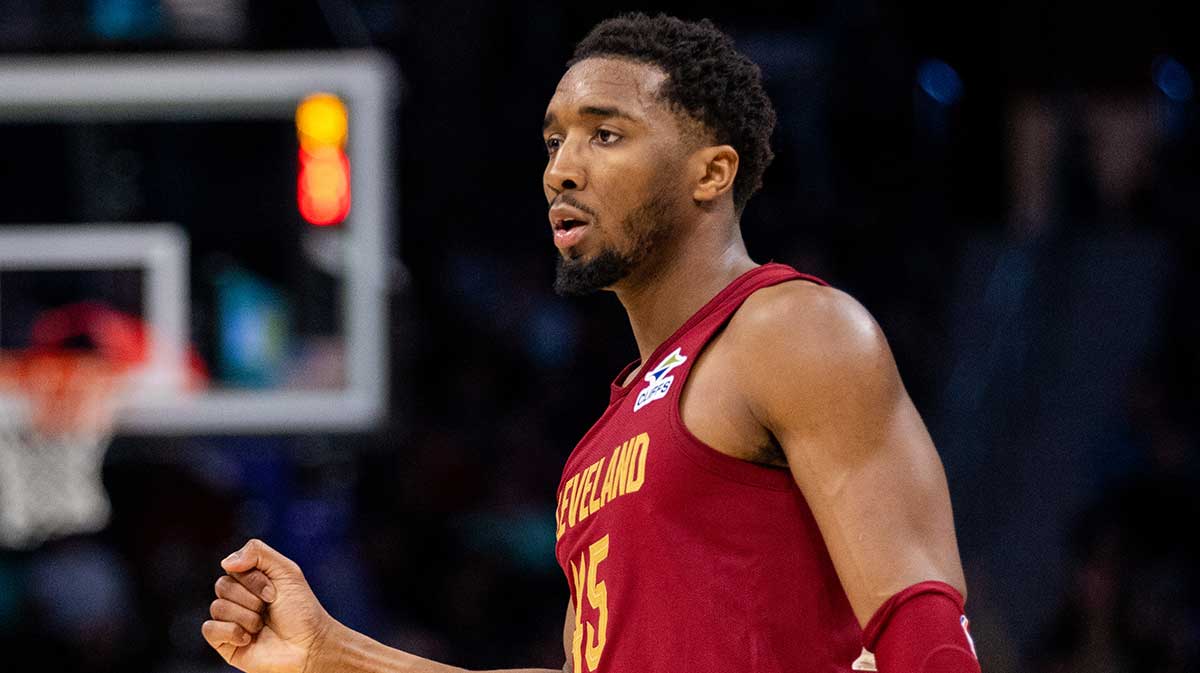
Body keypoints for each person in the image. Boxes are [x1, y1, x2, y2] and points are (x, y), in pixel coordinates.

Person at [203, 13, 981, 673]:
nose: (561, 171)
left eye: (605, 135)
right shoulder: (595, 450)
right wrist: (331, 652)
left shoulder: (791, 330)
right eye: (553, 142)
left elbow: (922, 618)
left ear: (711, 173)